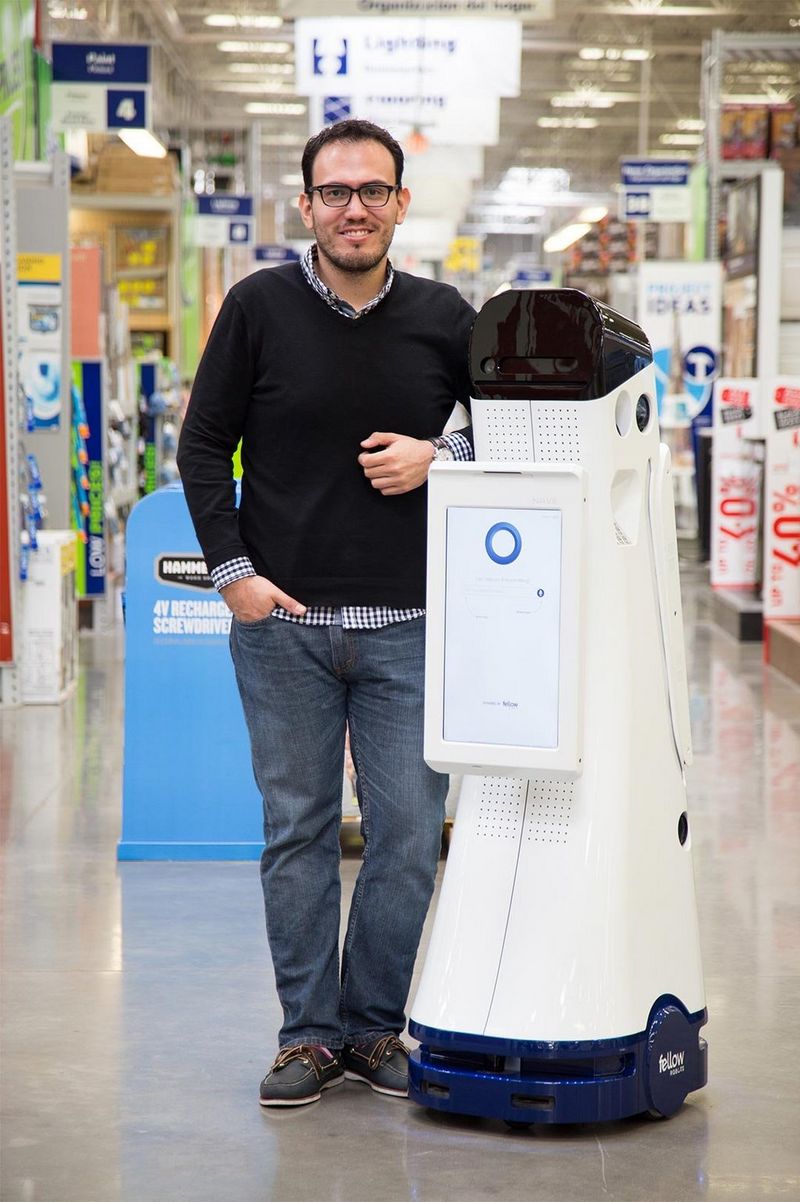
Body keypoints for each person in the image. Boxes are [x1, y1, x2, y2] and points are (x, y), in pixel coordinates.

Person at [177, 119, 475, 1108]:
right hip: (283, 629)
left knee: (407, 835)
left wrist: (440, 456)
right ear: (306, 205)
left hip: (411, 627)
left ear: (400, 203)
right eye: (336, 191)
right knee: (297, 833)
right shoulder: (257, 307)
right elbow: (201, 444)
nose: (355, 208)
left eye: (373, 190)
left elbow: (516, 431)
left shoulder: (445, 316)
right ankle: (307, 1036)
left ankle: (373, 1025)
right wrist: (233, 574)